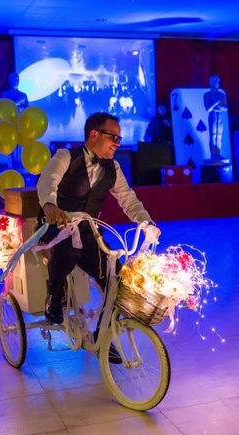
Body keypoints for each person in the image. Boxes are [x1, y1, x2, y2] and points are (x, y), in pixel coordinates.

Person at [36, 112, 159, 329]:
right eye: (114, 137)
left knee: (118, 281)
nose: (117, 144)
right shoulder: (66, 156)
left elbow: (128, 198)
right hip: (57, 227)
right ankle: (54, 299)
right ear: (94, 134)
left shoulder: (113, 168)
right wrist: (50, 205)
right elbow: (48, 181)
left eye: (119, 139)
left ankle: (104, 336)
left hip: (89, 232)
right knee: (68, 251)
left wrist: (146, 222)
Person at [203, 75, 228, 160]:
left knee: (219, 135)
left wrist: (216, 106)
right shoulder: (207, 95)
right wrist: (216, 103)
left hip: (219, 116)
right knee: (213, 135)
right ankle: (213, 154)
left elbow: (225, 108)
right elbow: (208, 108)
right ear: (211, 83)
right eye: (216, 81)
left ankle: (218, 154)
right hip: (212, 116)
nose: (218, 83)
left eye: (218, 81)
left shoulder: (221, 94)